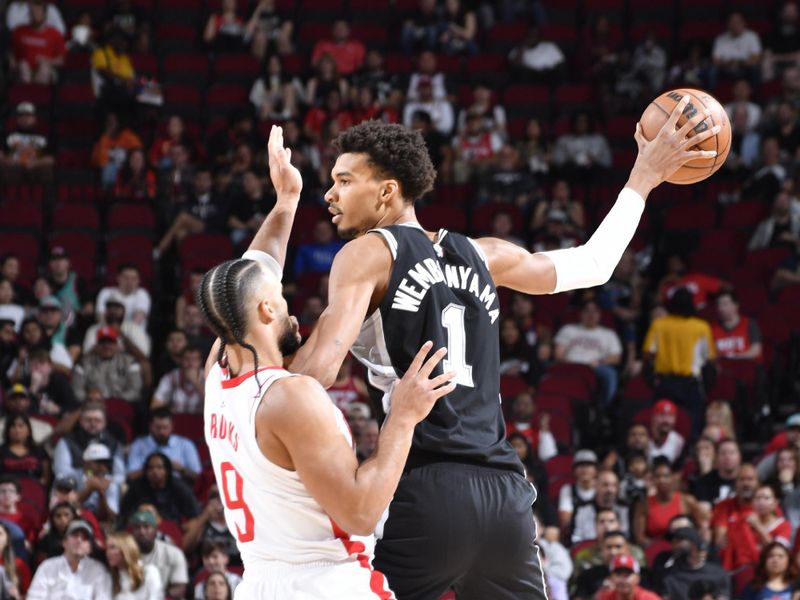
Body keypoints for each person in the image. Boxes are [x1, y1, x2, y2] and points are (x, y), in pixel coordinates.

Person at [199, 126, 455, 598]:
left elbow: (253, 273)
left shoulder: (218, 368)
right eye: (281, 297)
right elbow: (359, 512)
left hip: (257, 583)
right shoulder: (289, 395)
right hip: (327, 582)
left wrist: (287, 200)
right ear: (266, 311)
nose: (292, 305)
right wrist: (401, 419)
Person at [643, 287, 716, 438]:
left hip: (665, 383)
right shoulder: (701, 327)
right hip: (690, 383)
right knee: (692, 425)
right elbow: (709, 358)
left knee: (661, 423)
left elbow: (647, 353)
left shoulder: (659, 325)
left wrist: (650, 377)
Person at [554, 299, 622, 408]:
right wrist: (567, 363)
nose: (591, 314)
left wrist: (600, 361)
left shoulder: (609, 334)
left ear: (599, 314)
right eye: (587, 311)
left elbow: (616, 357)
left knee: (610, 374)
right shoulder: (568, 329)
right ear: (581, 314)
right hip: (570, 364)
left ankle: (602, 408)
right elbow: (558, 354)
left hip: (595, 366)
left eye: (594, 311)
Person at [26, 519, 111, 600]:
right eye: (75, 535)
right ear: (64, 542)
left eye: (84, 538)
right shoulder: (47, 567)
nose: (79, 540)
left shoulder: (98, 570)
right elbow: (34, 597)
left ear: (90, 547)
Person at [632, 457, 704, 549]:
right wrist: (659, 547)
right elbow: (640, 538)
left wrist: (693, 543)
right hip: (656, 550)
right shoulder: (643, 505)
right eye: (658, 477)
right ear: (653, 479)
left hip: (686, 549)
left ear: (673, 478)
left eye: (666, 476)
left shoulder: (687, 500)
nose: (662, 480)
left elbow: (702, 526)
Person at [119, 452, 199, 525]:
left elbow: (194, 515)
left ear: (167, 470)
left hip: (172, 528)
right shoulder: (137, 487)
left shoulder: (179, 487)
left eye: (159, 467)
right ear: (145, 471)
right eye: (151, 468)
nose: (155, 471)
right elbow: (125, 513)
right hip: (142, 527)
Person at [126, 409, 201, 482]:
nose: (162, 432)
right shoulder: (138, 444)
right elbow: (131, 476)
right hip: (146, 487)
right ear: (150, 427)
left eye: (165, 427)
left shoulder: (185, 444)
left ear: (172, 426)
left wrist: (181, 469)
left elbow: (198, 477)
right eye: (158, 428)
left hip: (178, 487)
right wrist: (152, 468)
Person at [129, 510, 188, 599]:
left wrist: (157, 597)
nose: (142, 532)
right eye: (137, 527)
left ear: (155, 530)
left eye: (146, 527)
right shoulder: (126, 554)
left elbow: (180, 587)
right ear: (132, 531)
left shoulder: (173, 552)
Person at [661, 526, 731, 600]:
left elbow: (724, 596)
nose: (674, 546)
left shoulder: (719, 574)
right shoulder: (670, 577)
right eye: (673, 542)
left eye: (678, 541)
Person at [10, 0, 65, 84]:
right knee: (23, 66)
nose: (35, 15)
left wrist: (48, 61)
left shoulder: (55, 34)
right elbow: (11, 52)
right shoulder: (18, 31)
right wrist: (12, 62)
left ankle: (38, 94)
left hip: (46, 70)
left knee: (44, 69)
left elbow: (62, 60)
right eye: (32, 12)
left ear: (44, 14)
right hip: (23, 70)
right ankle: (24, 94)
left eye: (38, 12)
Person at [0, 102, 55, 185]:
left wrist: (35, 163)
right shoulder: (8, 136)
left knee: (46, 169)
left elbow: (50, 159)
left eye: (28, 115)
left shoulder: (43, 137)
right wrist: (7, 160)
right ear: (17, 119)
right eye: (21, 115)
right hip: (14, 167)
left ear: (34, 118)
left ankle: (46, 196)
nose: (24, 118)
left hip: (35, 167)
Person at [106, 531, 162, 600]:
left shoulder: (149, 571)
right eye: (107, 548)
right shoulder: (111, 578)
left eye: (112, 547)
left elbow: (156, 597)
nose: (107, 552)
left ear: (126, 549)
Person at [0, 412, 50, 485]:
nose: (17, 430)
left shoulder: (39, 451)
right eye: (13, 426)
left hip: (34, 491)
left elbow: (45, 478)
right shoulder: (1, 451)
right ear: (7, 431)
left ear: (28, 430)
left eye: (21, 426)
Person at [150, 346, 204, 414]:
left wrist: (195, 382)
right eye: (187, 359)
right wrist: (167, 408)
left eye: (194, 359)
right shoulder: (170, 378)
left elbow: (215, 403)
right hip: (176, 420)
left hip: (201, 421)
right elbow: (154, 406)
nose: (190, 363)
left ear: (200, 361)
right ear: (180, 360)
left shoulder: (208, 377)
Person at [648, 399, 686, 465]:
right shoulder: (643, 436)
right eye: (662, 415)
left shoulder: (678, 441)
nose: (666, 420)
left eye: (671, 416)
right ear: (653, 417)